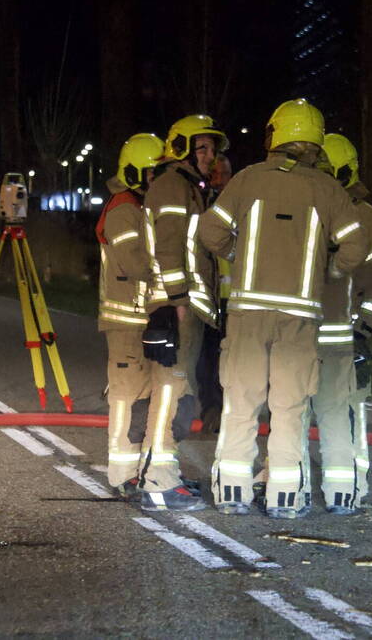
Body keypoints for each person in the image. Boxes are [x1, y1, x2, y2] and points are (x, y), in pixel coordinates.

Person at [199, 98, 368, 519]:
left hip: (248, 315)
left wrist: (240, 256)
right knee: (290, 408)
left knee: (241, 403)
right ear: (315, 142)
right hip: (299, 319)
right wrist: (327, 269)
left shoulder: (248, 179)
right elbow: (357, 245)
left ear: (276, 135)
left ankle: (233, 493)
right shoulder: (327, 189)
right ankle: (284, 498)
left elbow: (210, 231)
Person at [139, 115, 228, 511]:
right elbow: (169, 247)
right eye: (202, 148)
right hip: (180, 307)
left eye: (212, 148)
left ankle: (159, 472)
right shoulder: (173, 186)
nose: (210, 156)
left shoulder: (191, 188)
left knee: (179, 393)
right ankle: (158, 480)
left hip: (189, 306)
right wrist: (174, 302)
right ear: (181, 149)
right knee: (172, 394)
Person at [310, 133, 372, 515]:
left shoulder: (366, 217)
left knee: (351, 408)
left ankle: (355, 480)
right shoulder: (322, 206)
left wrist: (362, 332)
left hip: (348, 336)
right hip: (313, 333)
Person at [96, 133, 161, 503]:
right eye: (152, 173)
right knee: (125, 395)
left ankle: (134, 469)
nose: (156, 180)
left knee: (139, 394)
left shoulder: (135, 208)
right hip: (126, 321)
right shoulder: (123, 210)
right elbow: (135, 262)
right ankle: (122, 473)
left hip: (138, 319)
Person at [197, 154, 233, 433]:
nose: (218, 179)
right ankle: (211, 409)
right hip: (208, 296)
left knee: (231, 360)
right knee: (206, 358)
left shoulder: (241, 206)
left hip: (234, 298)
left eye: (223, 174)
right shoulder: (200, 204)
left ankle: (230, 411)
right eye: (214, 174)